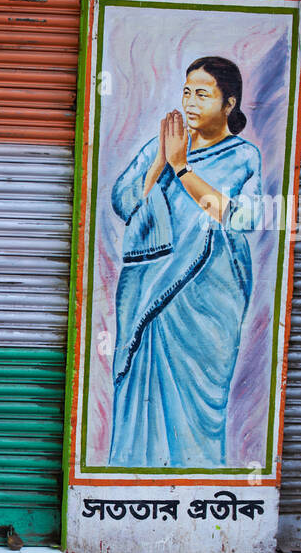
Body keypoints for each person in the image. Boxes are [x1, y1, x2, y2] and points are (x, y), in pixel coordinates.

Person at [108, 56, 263, 468]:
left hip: (209, 300)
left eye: (203, 94)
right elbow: (124, 201)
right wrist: (161, 159)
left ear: (229, 103)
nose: (191, 103)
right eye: (187, 92)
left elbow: (241, 216)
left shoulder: (245, 156)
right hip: (148, 292)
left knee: (198, 408)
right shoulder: (164, 146)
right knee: (142, 391)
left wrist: (181, 168)